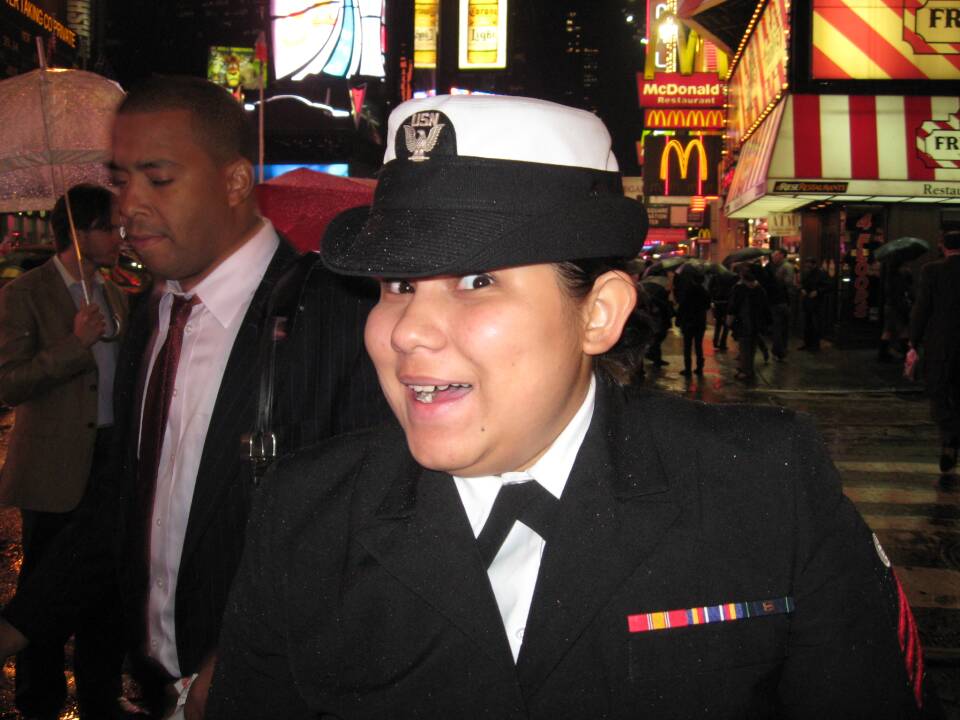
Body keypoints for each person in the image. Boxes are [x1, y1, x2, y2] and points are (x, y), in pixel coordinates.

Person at [206, 94, 927, 718]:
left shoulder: (763, 486)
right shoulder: (306, 514)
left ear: (599, 314)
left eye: (476, 280)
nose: (407, 331)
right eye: (396, 284)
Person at [0, 76, 387, 718]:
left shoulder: (336, 318)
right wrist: (18, 622)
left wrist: (239, 657)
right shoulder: (152, 315)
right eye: (122, 180)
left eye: (159, 179)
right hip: (155, 682)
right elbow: (124, 499)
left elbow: (361, 533)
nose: (128, 207)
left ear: (234, 182)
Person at [0, 184, 127, 720]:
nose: (119, 236)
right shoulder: (26, 294)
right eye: (109, 227)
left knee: (103, 589)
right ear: (80, 232)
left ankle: (101, 696)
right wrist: (73, 346)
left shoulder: (117, 293)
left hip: (109, 459)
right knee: (44, 592)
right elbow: (8, 383)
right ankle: (39, 700)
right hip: (54, 467)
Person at [908, 229, 960, 473]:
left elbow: (922, 308)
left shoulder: (932, 271)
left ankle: (949, 437)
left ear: (943, 246)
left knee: (939, 390)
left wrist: (913, 341)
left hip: (941, 343)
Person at [728, 263, 771, 382]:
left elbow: (733, 306)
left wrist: (729, 320)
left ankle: (746, 371)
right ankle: (747, 368)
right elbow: (765, 307)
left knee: (745, 347)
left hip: (743, 321)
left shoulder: (739, 288)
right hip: (756, 322)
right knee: (751, 347)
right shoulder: (760, 289)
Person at [674, 267, 710, 376]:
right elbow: (707, 306)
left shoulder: (688, 291)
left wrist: (678, 320)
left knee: (688, 346)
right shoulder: (704, 292)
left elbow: (683, 306)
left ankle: (688, 369)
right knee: (698, 346)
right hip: (700, 321)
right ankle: (699, 368)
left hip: (688, 322)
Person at [764, 249, 795, 361]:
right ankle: (780, 350)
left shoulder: (786, 267)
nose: (773, 257)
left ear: (782, 255)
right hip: (780, 301)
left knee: (779, 327)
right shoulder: (775, 267)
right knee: (780, 327)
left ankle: (779, 351)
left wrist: (776, 279)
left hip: (782, 301)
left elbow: (789, 282)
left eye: (775, 255)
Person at [799, 257, 830, 352]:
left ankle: (815, 345)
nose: (807, 266)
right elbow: (803, 284)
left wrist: (817, 292)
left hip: (817, 302)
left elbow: (828, 286)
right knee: (807, 323)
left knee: (816, 324)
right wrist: (802, 289)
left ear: (813, 264)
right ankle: (807, 343)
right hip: (807, 301)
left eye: (808, 264)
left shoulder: (821, 274)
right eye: (806, 264)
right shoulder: (806, 272)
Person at [709, 269, 736, 352]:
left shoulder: (715, 276)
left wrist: (713, 298)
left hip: (718, 302)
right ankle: (723, 343)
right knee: (726, 325)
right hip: (727, 302)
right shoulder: (732, 277)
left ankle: (715, 342)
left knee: (718, 323)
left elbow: (710, 287)